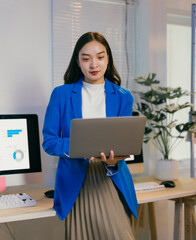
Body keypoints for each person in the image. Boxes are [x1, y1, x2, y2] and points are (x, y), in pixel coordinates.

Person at [42, 32, 138, 240]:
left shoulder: (123, 96)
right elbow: (49, 142)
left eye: (100, 57)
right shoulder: (61, 94)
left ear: (108, 59)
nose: (94, 64)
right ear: (78, 61)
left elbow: (124, 143)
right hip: (77, 182)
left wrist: (113, 161)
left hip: (111, 180)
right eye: (86, 58)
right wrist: (82, 147)